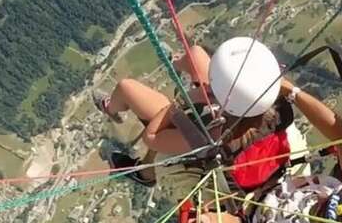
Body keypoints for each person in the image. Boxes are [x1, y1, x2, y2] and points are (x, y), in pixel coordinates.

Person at [179, 79, 342, 223]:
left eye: (324, 206)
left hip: (245, 210)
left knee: (178, 141)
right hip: (286, 176)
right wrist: (291, 91)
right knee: (234, 91)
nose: (325, 196)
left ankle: (146, 169)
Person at [93, 37, 308, 189]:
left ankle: (115, 113)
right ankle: (175, 63)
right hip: (229, 110)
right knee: (196, 53)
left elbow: (152, 138)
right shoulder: (274, 108)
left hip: (201, 130)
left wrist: (182, 101)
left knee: (126, 88)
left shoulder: (211, 135)